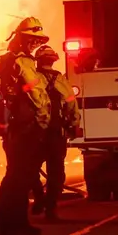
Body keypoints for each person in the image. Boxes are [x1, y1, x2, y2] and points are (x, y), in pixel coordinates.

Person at [0, 16, 51, 235]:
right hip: (24, 125)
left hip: (14, 125)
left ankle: (7, 224)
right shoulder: (22, 62)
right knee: (21, 176)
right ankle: (16, 225)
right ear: (21, 39)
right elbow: (35, 93)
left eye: (37, 41)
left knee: (15, 176)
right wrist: (43, 119)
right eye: (31, 40)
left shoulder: (7, 60)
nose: (35, 44)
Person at [31, 44, 80, 222]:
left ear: (38, 61)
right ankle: (50, 207)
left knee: (29, 169)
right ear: (53, 61)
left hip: (36, 132)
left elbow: (24, 98)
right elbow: (71, 103)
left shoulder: (32, 78)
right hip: (56, 133)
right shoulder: (61, 80)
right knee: (56, 173)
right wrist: (74, 124)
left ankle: (39, 199)